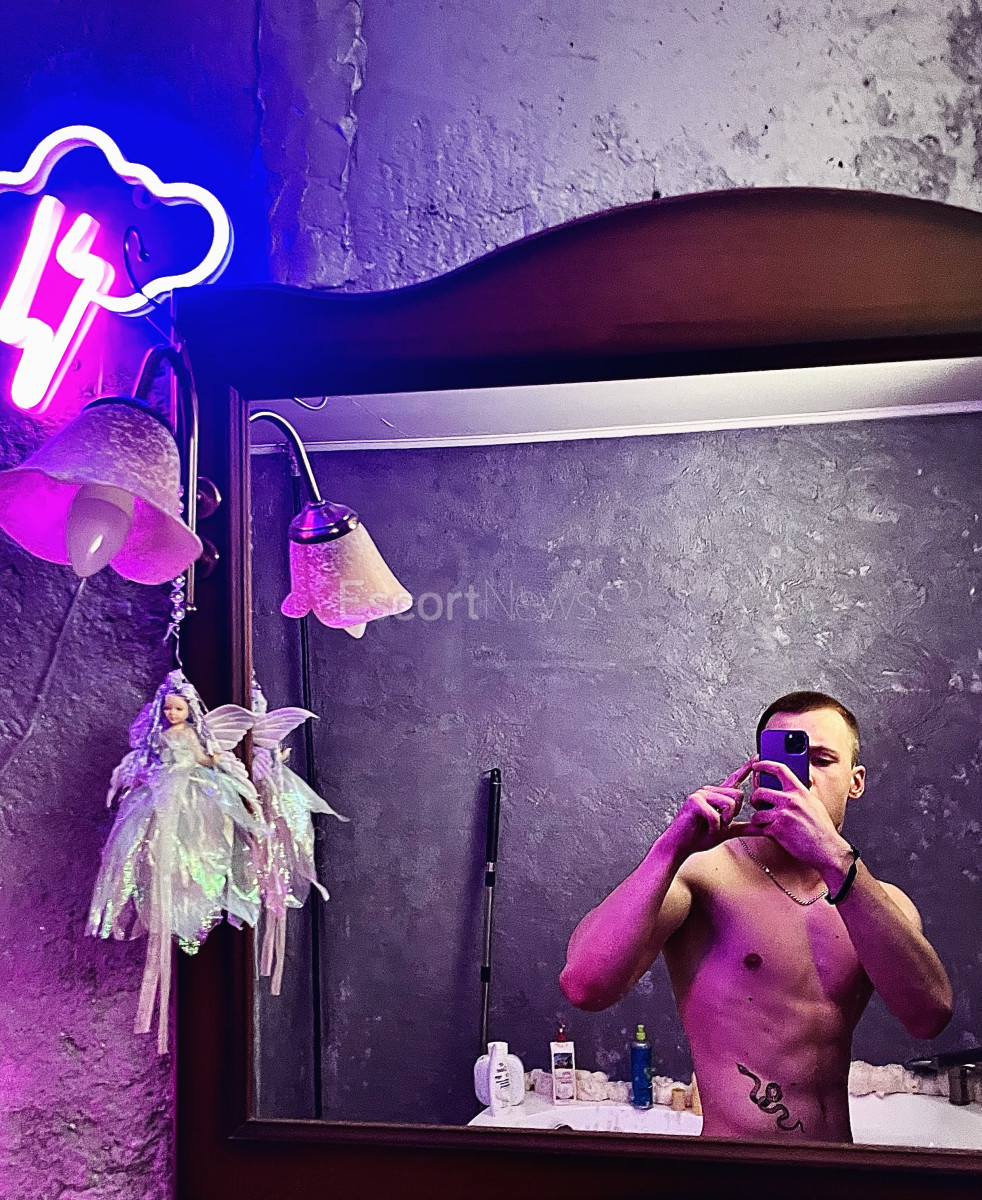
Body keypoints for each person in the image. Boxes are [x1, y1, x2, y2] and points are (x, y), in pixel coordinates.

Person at [560, 691, 952, 1142]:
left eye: (822, 760)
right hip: (736, 1170)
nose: (802, 778)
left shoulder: (877, 903)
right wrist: (668, 850)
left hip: (837, 1165)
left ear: (855, 781)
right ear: (760, 769)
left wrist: (837, 861)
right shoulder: (703, 877)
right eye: (784, 759)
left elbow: (928, 1018)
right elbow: (584, 985)